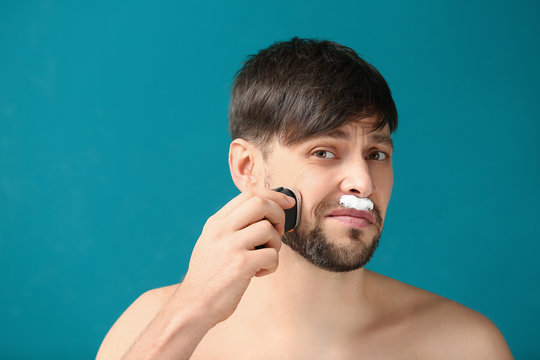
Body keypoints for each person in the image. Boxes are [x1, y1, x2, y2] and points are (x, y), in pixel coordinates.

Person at [96, 37, 513, 359]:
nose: (363, 183)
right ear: (247, 168)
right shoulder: (152, 324)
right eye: (324, 152)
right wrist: (189, 314)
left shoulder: (464, 345)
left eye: (377, 154)